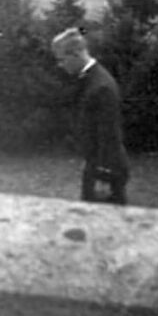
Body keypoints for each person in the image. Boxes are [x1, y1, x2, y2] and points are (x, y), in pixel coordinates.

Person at [51, 27, 129, 205]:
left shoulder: (101, 87)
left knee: (106, 225)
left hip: (107, 170)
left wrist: (104, 176)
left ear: (77, 53)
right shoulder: (89, 80)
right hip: (95, 164)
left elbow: (109, 135)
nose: (61, 66)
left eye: (62, 60)